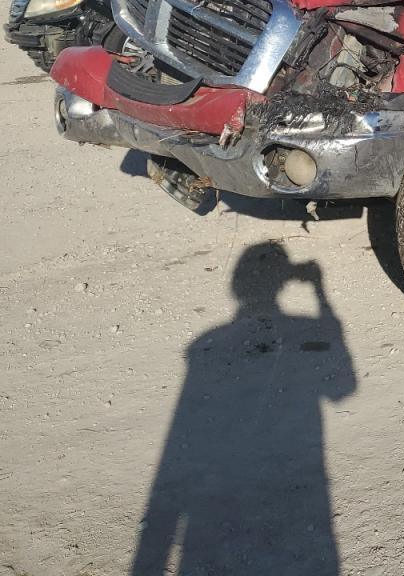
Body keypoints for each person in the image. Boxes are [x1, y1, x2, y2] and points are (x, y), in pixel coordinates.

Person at [132, 243, 356, 576]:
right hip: (295, 502)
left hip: (216, 513)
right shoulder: (303, 329)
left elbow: (176, 447)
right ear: (283, 284)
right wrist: (320, 293)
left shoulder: (203, 347)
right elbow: (343, 387)